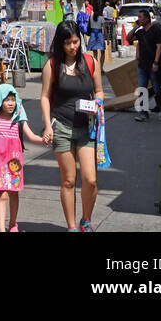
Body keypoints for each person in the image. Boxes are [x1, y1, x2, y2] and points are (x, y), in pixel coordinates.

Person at [40, 20, 104, 232]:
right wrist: (48, 126)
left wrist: (98, 103)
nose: (72, 47)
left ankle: (86, 219)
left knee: (91, 179)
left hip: (87, 128)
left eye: (75, 41)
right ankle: (72, 226)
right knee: (68, 180)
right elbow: (45, 97)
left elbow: (99, 91)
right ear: (61, 43)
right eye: (67, 43)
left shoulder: (90, 61)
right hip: (62, 128)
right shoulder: (52, 65)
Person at [0, 83, 43, 232]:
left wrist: (43, 140)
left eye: (13, 99)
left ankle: (13, 224)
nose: (10, 103)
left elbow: (31, 136)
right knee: (2, 195)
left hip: (14, 162)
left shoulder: (19, 118)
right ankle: (2, 229)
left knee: (14, 194)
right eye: (6, 99)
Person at [131, 9, 161, 122]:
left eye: (141, 17)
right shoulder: (140, 32)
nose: (139, 19)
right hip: (142, 65)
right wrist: (135, 27)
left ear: (147, 18)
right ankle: (143, 113)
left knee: (157, 89)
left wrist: (156, 62)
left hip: (153, 65)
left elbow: (159, 46)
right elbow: (128, 39)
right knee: (142, 88)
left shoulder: (156, 30)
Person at [87, 2, 107, 70]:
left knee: (95, 54)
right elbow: (104, 28)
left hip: (93, 34)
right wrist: (106, 38)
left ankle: (95, 68)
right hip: (99, 35)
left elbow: (87, 26)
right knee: (102, 52)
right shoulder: (101, 18)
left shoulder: (90, 17)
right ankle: (101, 68)